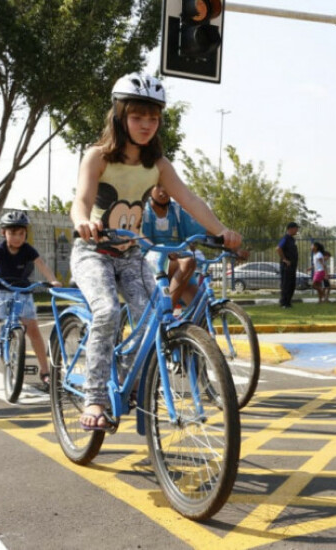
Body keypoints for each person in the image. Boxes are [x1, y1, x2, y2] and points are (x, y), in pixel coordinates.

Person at [70, 72, 242, 432]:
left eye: (153, 118)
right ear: (119, 115)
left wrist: (220, 230)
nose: (146, 124)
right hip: (93, 252)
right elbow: (81, 200)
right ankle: (95, 397)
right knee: (106, 312)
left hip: (131, 256)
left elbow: (190, 199)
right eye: (137, 117)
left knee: (151, 321)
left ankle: (130, 384)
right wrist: (84, 221)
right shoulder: (98, 156)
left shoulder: (157, 165)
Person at [0, 212, 62, 387]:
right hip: (0, 290)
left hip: (22, 291)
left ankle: (44, 371)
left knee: (34, 331)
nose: (17, 237)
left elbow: (42, 265)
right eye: (12, 233)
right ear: (4, 233)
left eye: (21, 233)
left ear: (25, 234)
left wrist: (53, 280)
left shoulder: (28, 250)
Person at [141, 183, 206, 308]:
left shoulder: (177, 211)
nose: (164, 190)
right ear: (149, 189)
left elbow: (203, 228)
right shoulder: (143, 211)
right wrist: (164, 251)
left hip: (176, 261)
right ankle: (166, 318)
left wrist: (227, 238)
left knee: (200, 308)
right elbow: (137, 234)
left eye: (166, 184)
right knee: (187, 263)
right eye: (158, 186)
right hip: (150, 260)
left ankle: (180, 324)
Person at [276, 222, 299, 308]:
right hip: (286, 266)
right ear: (291, 229)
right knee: (286, 284)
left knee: (292, 284)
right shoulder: (286, 238)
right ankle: (284, 303)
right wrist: (284, 259)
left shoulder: (292, 239)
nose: (297, 231)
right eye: (296, 229)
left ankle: (288, 302)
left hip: (292, 266)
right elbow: (278, 248)